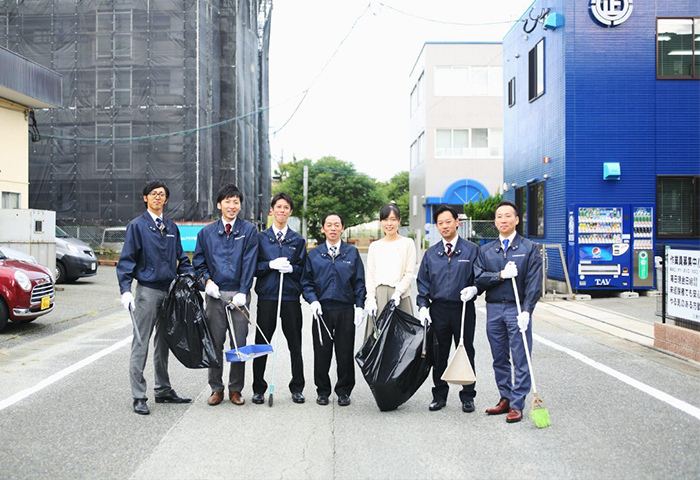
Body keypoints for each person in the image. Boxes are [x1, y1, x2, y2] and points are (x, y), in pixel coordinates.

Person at [117, 180, 194, 415]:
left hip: (169, 291)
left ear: (166, 199)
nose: (158, 197)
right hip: (148, 291)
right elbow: (127, 260)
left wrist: (189, 275)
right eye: (153, 194)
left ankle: (163, 390)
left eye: (162, 194)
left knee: (164, 341)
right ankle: (139, 395)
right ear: (145, 198)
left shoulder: (171, 227)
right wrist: (126, 290)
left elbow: (181, 257)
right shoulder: (137, 227)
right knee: (141, 341)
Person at [474, 200, 543, 423]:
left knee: (521, 357)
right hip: (494, 308)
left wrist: (527, 311)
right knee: (499, 357)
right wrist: (500, 275)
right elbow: (479, 278)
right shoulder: (487, 251)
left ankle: (517, 403)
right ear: (495, 222)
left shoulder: (529, 249)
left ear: (517, 219)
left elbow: (534, 283)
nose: (503, 220)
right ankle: (505, 397)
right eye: (499, 217)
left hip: (517, 309)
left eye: (507, 216)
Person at [193, 184, 259, 406]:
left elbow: (249, 263)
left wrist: (243, 291)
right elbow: (199, 264)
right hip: (215, 295)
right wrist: (207, 283)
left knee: (239, 344)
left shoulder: (248, 231)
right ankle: (216, 388)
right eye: (228, 201)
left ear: (240, 205)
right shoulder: (206, 233)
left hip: (238, 295)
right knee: (214, 342)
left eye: (236, 202)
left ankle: (236, 389)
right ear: (219, 204)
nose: (232, 206)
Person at [416, 205, 480, 413]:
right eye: (440, 223)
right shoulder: (432, 253)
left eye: (448, 221)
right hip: (439, 310)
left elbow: (479, 276)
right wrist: (423, 305)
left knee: (466, 350)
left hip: (463, 309)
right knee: (438, 353)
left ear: (457, 222)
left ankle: (468, 396)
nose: (444, 226)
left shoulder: (471, 250)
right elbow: (423, 282)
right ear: (437, 226)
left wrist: (474, 289)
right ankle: (439, 395)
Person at [302, 212, 366, 407]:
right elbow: (306, 282)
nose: (332, 228)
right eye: (328, 225)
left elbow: (359, 282)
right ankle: (322, 391)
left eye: (336, 224)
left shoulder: (351, 253)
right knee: (322, 352)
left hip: (345, 309)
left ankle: (344, 391)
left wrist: (359, 306)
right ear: (323, 228)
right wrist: (312, 301)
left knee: (344, 352)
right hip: (322, 310)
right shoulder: (314, 254)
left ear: (342, 228)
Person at [252, 192, 307, 405]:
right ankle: (258, 388)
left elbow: (304, 270)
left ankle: (297, 387)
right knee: (261, 345)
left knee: (295, 344)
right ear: (272, 210)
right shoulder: (260, 239)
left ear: (290, 212)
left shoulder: (297, 240)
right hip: (267, 297)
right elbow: (253, 267)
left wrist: (292, 268)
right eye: (278, 207)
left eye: (286, 207)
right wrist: (269, 265)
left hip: (290, 299)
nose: (282, 211)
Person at [363, 203, 416, 339]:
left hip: (400, 297)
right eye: (385, 219)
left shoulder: (407, 243)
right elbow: (370, 275)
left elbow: (409, 272)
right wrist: (370, 297)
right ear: (381, 222)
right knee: (378, 341)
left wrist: (398, 293)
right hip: (379, 297)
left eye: (393, 219)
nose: (389, 223)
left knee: (402, 342)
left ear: (399, 221)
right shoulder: (375, 246)